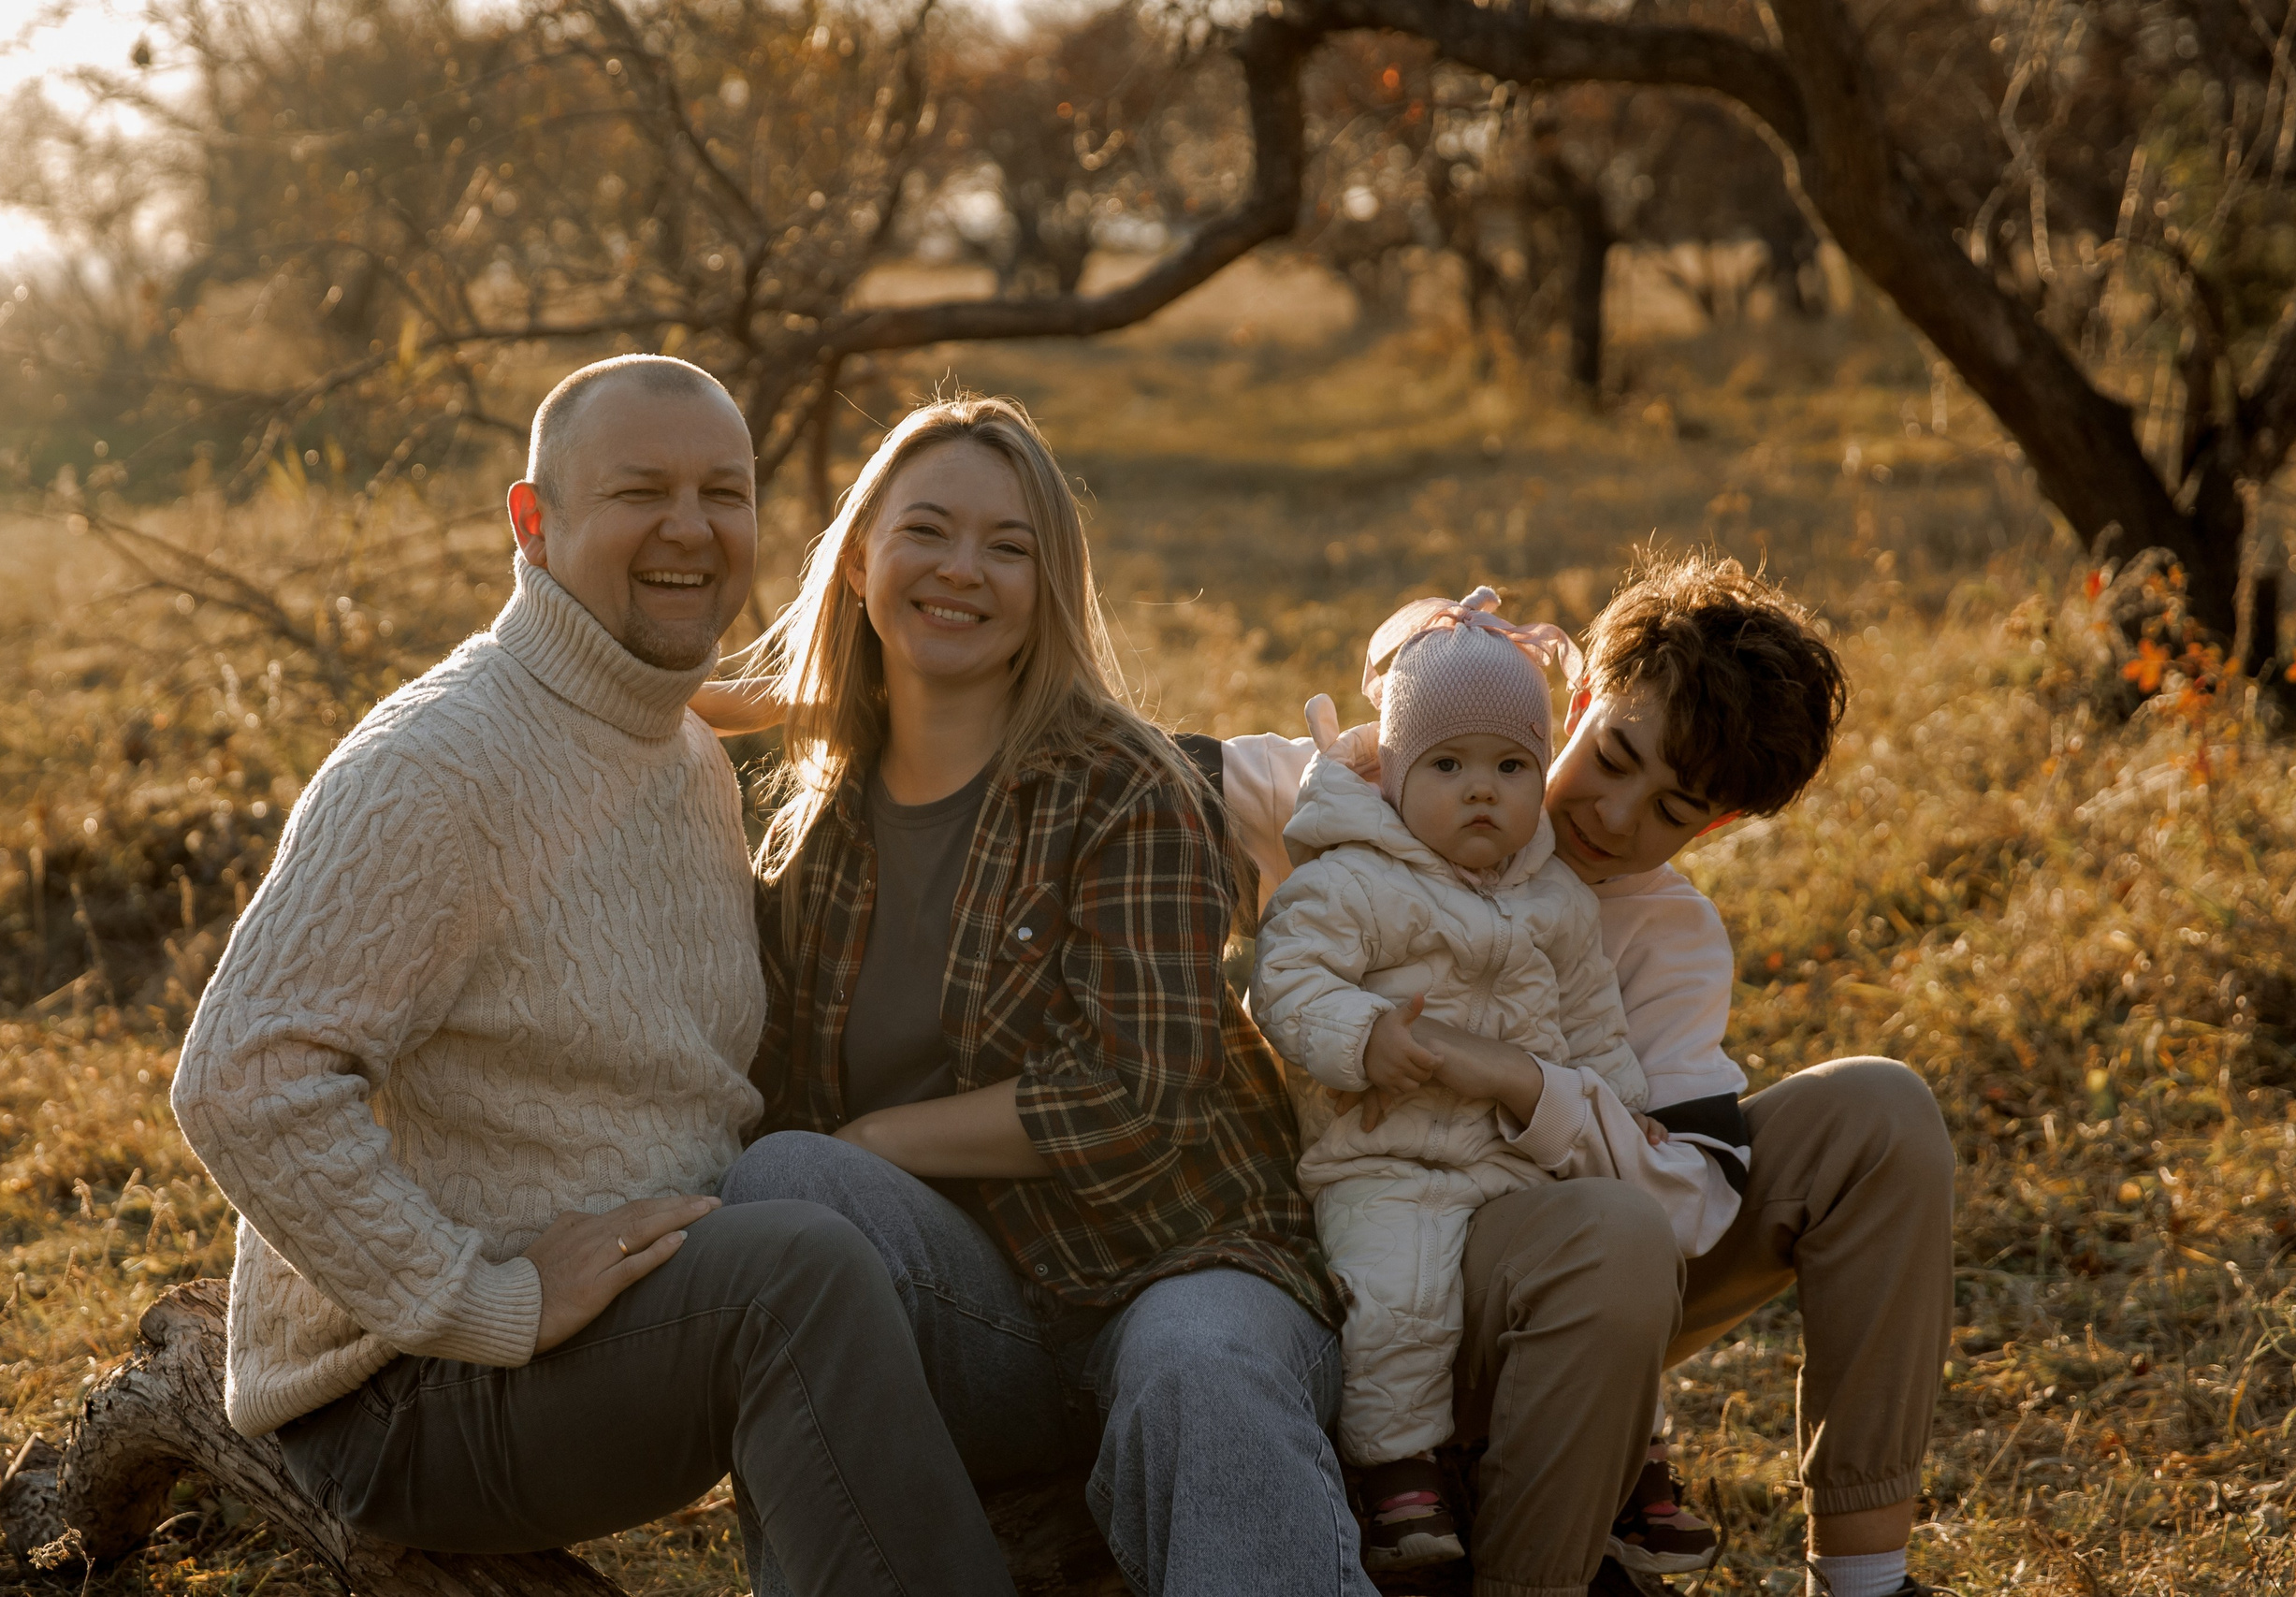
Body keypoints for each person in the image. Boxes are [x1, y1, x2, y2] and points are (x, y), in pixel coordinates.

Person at [169, 356, 1016, 1596]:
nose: (691, 528)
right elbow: (241, 1079)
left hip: (626, 1325)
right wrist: (481, 1297)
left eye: (723, 493)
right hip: (407, 1390)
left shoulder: (682, 751)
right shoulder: (437, 766)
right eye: (640, 491)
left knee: (816, 1237)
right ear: (534, 520)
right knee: (795, 1277)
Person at [713, 394, 1370, 1597]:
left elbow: (1139, 1095)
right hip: (971, 1320)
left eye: (1007, 547)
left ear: (1048, 586)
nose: (962, 569)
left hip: (1184, 1267)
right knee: (780, 1188)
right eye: (926, 530)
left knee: (1200, 1371)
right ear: (858, 561)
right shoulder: (809, 827)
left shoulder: (1127, 786)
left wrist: (878, 1139)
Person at [1223, 555, 1955, 1597]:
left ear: (1715, 825)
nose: (1615, 816)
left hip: (1590, 1270)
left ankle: (1866, 1579)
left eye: (1673, 809)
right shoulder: (1361, 793)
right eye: (1612, 757)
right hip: (1374, 1248)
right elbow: (1134, 776)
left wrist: (1520, 1081)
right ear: (1575, 701)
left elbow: (1689, 1198)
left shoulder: (1672, 937)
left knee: (1880, 1113)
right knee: (1610, 1228)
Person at [1255, 592, 1705, 1572]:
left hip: (1515, 1164)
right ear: (1393, 773)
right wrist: (1361, 1037)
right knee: (1395, 1294)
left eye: (1510, 768)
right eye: (1447, 766)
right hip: (1387, 1159)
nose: (1481, 793)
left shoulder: (1555, 897)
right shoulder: (1351, 878)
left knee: (1619, 1273)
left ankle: (1634, 1463)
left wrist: (1625, 1104)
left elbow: (1591, 1019)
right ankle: (1397, 1476)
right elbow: (1286, 981)